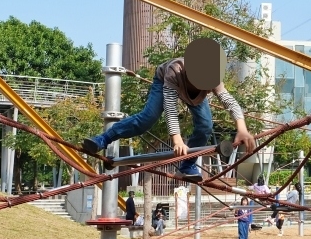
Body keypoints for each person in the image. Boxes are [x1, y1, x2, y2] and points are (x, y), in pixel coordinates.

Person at [82, 39, 257, 180]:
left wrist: (242, 128)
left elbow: (229, 101)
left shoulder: (212, 77)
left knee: (205, 125)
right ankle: (104, 138)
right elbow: (170, 108)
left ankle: (187, 166)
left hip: (192, 95)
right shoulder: (175, 71)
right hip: (163, 82)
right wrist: (177, 140)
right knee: (147, 118)